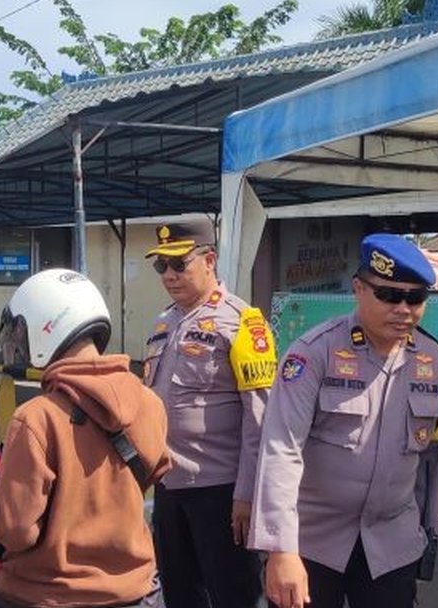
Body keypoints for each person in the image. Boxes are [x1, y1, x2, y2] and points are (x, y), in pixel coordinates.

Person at [251, 234, 438, 608]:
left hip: (392, 545)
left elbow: (431, 463)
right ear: (358, 288)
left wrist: (429, 534)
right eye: (390, 295)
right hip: (312, 544)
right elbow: (281, 450)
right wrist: (280, 549)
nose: (404, 309)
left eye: (416, 298)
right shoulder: (314, 354)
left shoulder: (436, 361)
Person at [0, 269, 170, 608]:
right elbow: (154, 471)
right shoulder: (149, 403)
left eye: (22, 332)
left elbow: (17, 532)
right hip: (135, 592)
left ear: (44, 326)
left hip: (45, 593)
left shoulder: (36, 418)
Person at [141, 221, 278, 608]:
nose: (169, 275)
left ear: (210, 260)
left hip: (221, 491)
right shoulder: (164, 321)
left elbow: (260, 419)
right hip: (169, 486)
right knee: (180, 594)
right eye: (161, 266)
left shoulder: (243, 322)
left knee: (234, 595)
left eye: (179, 264)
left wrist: (248, 494)